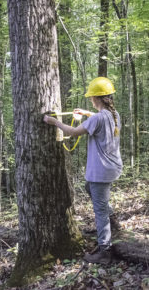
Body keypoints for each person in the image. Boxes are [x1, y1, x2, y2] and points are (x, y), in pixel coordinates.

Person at [44, 77, 123, 265]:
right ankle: (113, 220)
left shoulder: (97, 119)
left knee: (100, 210)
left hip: (101, 172)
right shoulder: (114, 115)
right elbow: (97, 119)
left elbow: (73, 132)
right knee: (91, 190)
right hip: (112, 168)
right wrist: (87, 113)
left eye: (91, 98)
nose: (90, 100)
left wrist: (54, 122)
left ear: (98, 98)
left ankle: (105, 251)